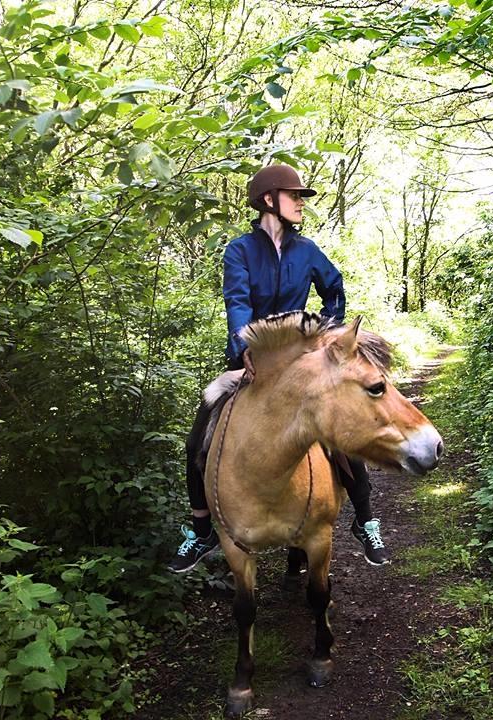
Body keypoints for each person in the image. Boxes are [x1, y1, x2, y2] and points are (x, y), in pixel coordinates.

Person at [167, 164, 392, 573]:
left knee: (341, 432)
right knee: (200, 434)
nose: (301, 203)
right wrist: (244, 346)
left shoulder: (307, 251)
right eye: (295, 196)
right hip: (251, 363)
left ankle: (365, 519)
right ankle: (200, 530)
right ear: (269, 200)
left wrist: (325, 333)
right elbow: (237, 302)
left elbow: (334, 287)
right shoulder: (239, 250)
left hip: (301, 362)